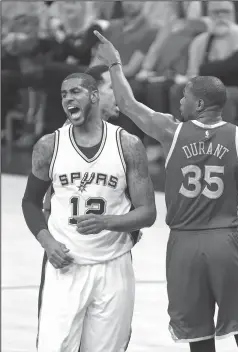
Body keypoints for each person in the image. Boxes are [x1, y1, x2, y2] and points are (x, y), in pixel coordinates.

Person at [93, 30, 238, 352]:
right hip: (227, 242)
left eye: (185, 97)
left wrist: (114, 64)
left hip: (183, 246)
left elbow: (126, 103)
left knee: (197, 337)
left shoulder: (171, 132)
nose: (180, 101)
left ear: (201, 103)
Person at [21, 72, 156, 352]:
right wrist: (47, 242)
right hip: (65, 265)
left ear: (94, 96)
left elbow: (148, 213)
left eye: (75, 92)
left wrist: (107, 221)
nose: (68, 98)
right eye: (63, 94)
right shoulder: (49, 145)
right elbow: (30, 203)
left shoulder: (128, 145)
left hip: (113, 266)